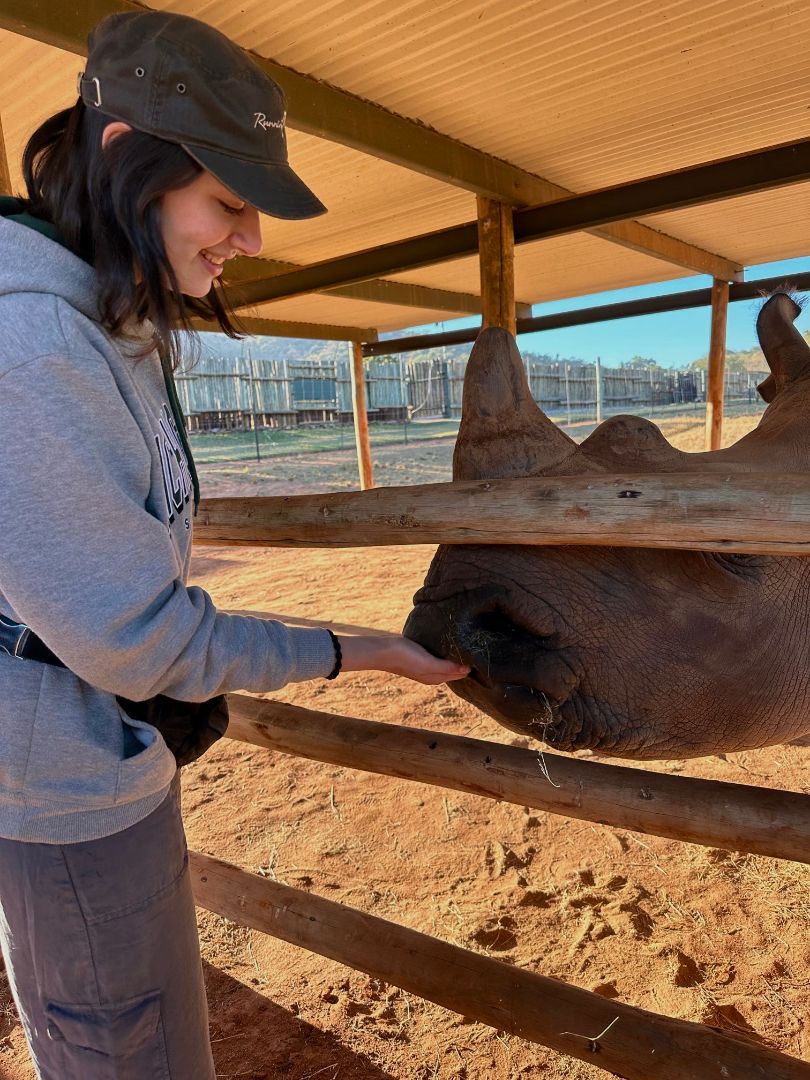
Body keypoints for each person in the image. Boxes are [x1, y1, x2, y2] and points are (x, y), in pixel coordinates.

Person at [0, 11, 469, 1079]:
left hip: (108, 765)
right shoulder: (30, 346)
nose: (250, 241)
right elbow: (143, 643)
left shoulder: (108, 324)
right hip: (64, 800)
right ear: (128, 157)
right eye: (229, 203)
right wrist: (363, 649)